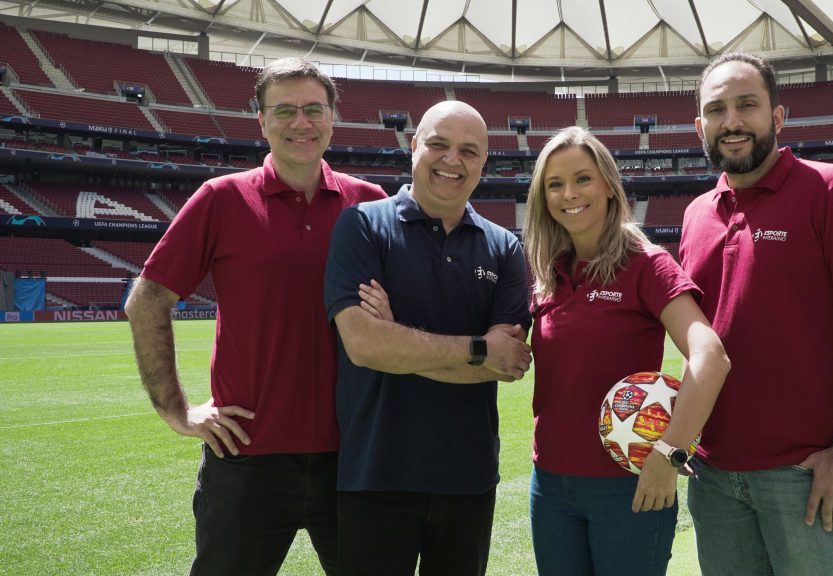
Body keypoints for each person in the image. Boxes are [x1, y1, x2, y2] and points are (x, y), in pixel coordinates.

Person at [124, 57, 387, 576]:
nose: (300, 122)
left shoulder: (371, 205)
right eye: (284, 110)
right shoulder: (221, 199)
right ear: (261, 121)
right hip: (247, 457)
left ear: (333, 117)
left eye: (314, 109)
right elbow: (147, 299)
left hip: (355, 458)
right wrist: (177, 411)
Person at [678, 52, 833, 576]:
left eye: (746, 105)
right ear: (700, 126)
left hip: (804, 473)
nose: (731, 122)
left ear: (777, 116)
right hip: (712, 476)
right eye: (717, 110)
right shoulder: (695, 216)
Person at [323, 100, 533, 576]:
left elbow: (508, 362)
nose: (452, 160)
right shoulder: (361, 226)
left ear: (484, 162)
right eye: (438, 144)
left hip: (469, 477)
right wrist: (478, 348)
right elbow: (364, 346)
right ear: (414, 146)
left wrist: (395, 339)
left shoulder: (504, 247)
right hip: (376, 474)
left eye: (468, 150)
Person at [522, 126, 731, 576]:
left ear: (608, 186)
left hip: (630, 487)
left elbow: (710, 356)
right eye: (554, 184)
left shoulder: (646, 264)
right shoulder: (548, 273)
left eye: (582, 178)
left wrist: (670, 452)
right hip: (551, 485)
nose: (568, 194)